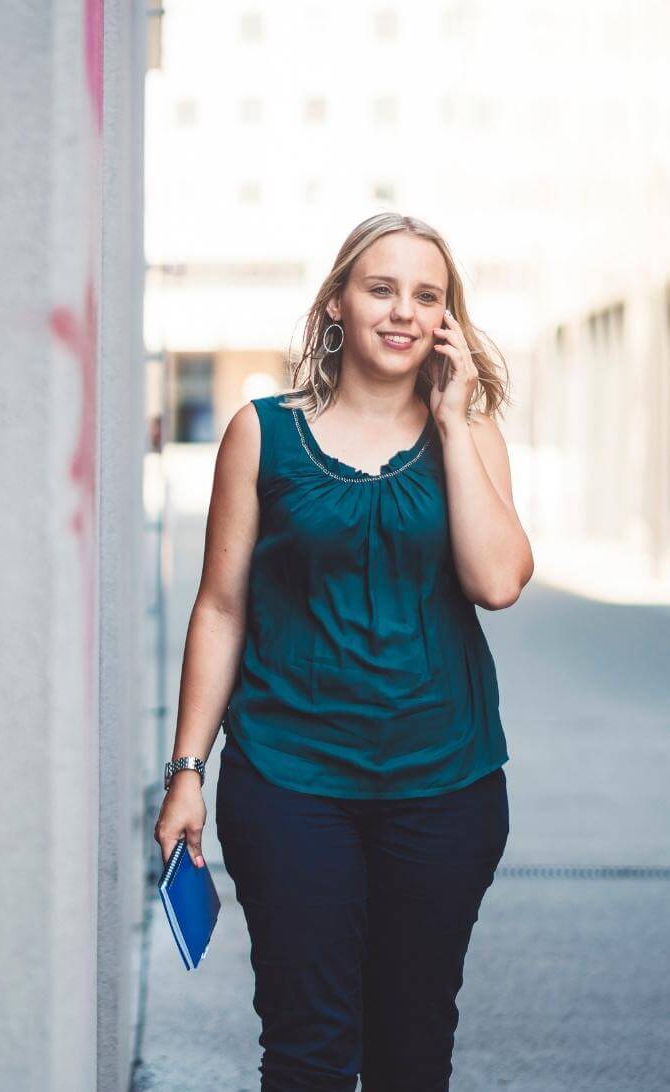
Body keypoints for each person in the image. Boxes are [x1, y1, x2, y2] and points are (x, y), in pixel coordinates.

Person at [153, 212, 533, 1091]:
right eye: (381, 288)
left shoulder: (467, 437)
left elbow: (498, 581)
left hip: (446, 786)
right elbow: (219, 608)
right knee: (307, 1047)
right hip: (291, 784)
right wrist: (185, 772)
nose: (403, 311)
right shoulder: (262, 433)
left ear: (447, 320)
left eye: (427, 296)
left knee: (412, 1048)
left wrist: (455, 418)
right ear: (336, 305)